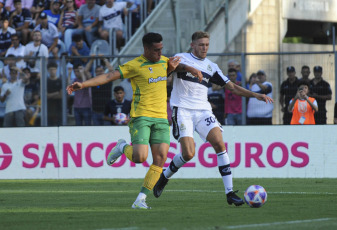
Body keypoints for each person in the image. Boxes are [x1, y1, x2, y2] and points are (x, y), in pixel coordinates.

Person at [152, 31, 273, 206]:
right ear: (192, 45)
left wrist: (256, 95)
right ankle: (164, 176)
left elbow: (232, 87)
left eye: (207, 45)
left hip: (203, 111)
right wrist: (189, 68)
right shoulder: (181, 57)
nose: (204, 48)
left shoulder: (212, 66)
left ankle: (229, 192)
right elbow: (169, 69)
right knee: (188, 153)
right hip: (183, 110)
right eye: (201, 44)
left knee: (220, 144)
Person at [66, 32, 183, 209]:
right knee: (140, 157)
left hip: (161, 118)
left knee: (160, 158)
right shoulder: (134, 65)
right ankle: (122, 146)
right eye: (156, 50)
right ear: (146, 49)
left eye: (161, 49)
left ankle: (140, 200)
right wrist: (83, 84)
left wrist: (188, 70)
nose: (160, 53)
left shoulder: (165, 62)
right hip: (141, 116)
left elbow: (174, 71)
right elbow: (108, 76)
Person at [84, 55, 113, 125]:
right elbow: (86, 71)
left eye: (101, 71)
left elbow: (112, 71)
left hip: (106, 113)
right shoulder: (93, 81)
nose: (99, 72)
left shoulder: (107, 80)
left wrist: (104, 59)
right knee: (97, 134)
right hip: (95, 112)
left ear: (104, 72)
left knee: (107, 133)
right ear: (95, 73)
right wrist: (92, 59)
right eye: (97, 71)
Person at [47, 61, 62, 126]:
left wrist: (50, 95)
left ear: (56, 70)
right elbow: (45, 96)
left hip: (59, 107)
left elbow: (61, 96)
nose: (52, 71)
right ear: (48, 70)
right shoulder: (46, 82)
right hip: (48, 108)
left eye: (54, 69)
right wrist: (56, 93)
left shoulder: (60, 81)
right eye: (51, 70)